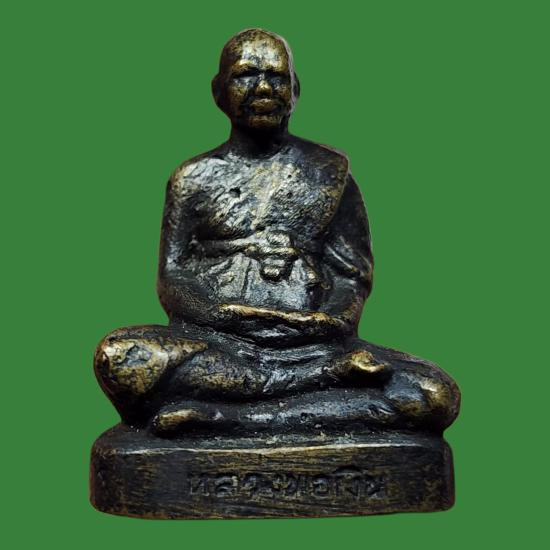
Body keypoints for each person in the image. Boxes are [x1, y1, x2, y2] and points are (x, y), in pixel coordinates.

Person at [94, 28, 460, 436]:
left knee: (435, 394)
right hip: (220, 347)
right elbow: (173, 274)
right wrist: (216, 315)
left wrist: (332, 320)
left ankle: (230, 419)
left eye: (277, 77)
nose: (264, 88)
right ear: (218, 92)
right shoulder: (193, 178)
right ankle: (317, 383)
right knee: (122, 357)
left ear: (295, 90)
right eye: (246, 75)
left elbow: (352, 273)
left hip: (313, 344)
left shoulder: (328, 172)